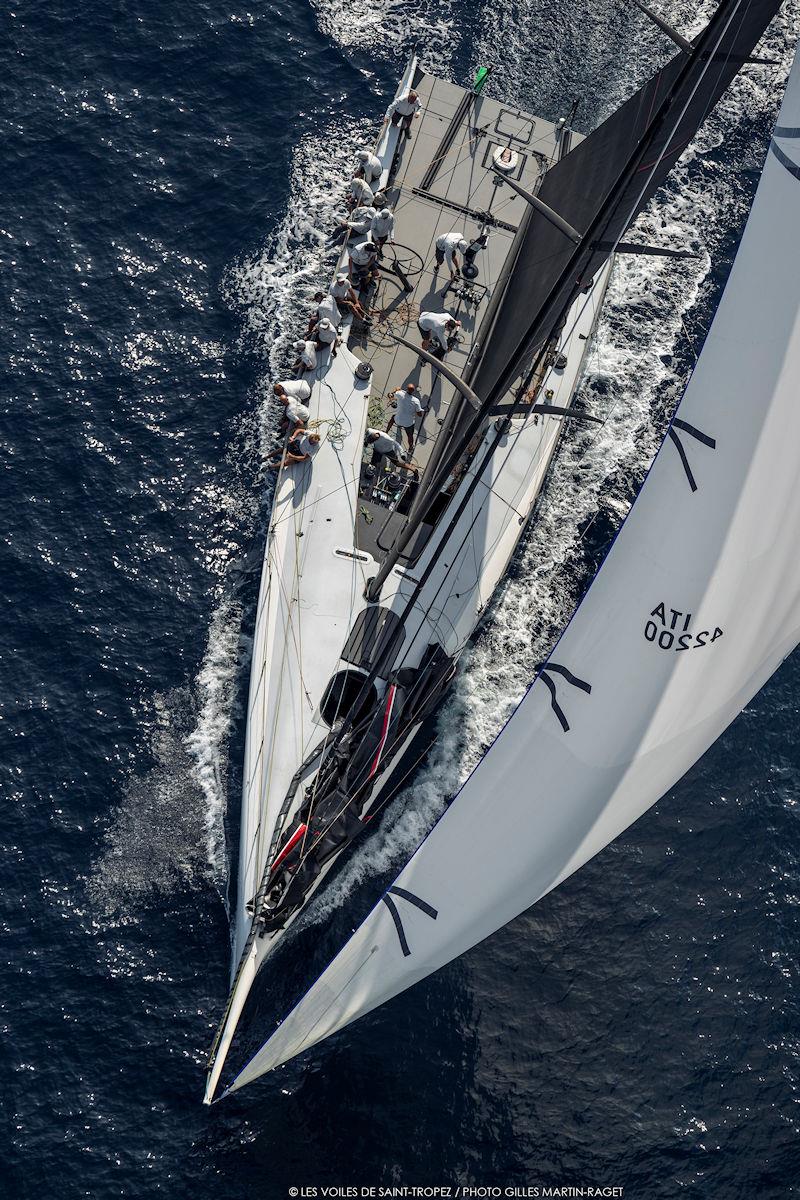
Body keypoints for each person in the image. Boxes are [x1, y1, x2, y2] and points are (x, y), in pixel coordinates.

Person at [386, 382, 423, 450]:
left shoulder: (400, 394)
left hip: (398, 420)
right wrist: (416, 410)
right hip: (408, 424)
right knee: (410, 435)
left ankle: (386, 431)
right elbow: (420, 415)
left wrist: (397, 390)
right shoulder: (416, 401)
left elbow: (396, 389)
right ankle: (411, 447)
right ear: (413, 391)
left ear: (407, 389)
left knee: (392, 418)